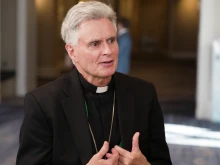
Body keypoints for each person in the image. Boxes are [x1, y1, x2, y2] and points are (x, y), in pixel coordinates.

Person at [16, 1, 172, 165]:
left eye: (111, 40)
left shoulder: (144, 93)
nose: (108, 51)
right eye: (95, 44)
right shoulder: (43, 103)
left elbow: (162, 161)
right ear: (72, 52)